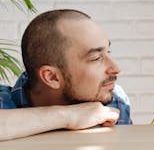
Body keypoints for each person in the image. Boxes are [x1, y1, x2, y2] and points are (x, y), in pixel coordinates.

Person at [0, 9, 132, 141]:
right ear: (52, 77)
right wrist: (70, 116)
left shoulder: (114, 99)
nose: (116, 69)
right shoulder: (3, 102)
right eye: (96, 58)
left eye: (108, 52)